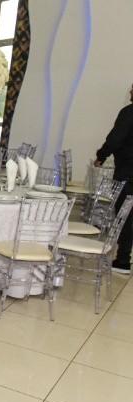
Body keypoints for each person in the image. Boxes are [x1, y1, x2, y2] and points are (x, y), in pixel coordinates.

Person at [96, 83, 133, 274]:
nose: (130, 91)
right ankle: (124, 257)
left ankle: (123, 260)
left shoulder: (129, 112)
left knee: (124, 217)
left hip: (127, 172)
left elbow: (115, 139)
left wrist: (101, 155)